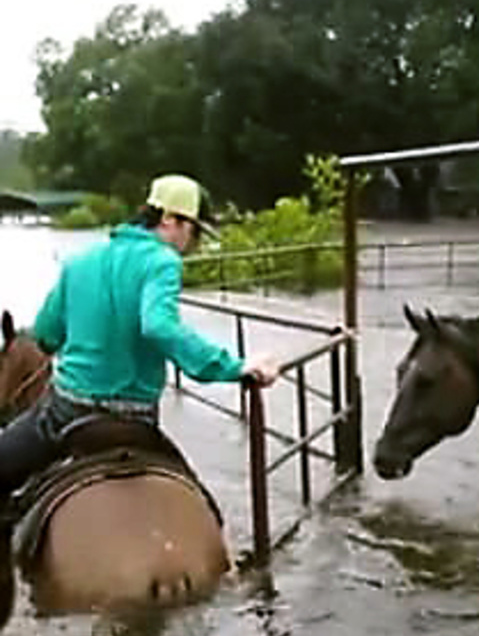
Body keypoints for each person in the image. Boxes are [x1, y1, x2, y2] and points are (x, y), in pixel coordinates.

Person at [0, 173, 279, 521]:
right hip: (134, 419)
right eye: (194, 231)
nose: (194, 245)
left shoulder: (78, 262)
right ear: (168, 220)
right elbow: (158, 325)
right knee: (208, 516)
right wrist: (233, 367)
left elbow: (45, 335)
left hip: (66, 411)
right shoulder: (162, 262)